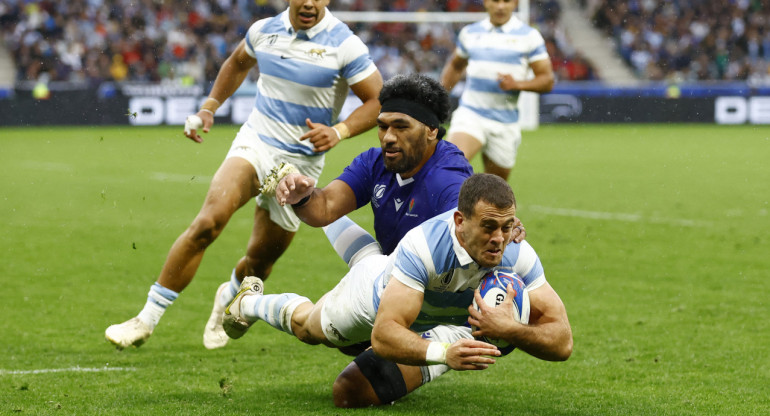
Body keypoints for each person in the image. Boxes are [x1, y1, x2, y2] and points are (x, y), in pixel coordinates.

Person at [104, 0, 383, 350]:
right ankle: (144, 319)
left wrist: (340, 130)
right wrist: (209, 106)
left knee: (260, 263)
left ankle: (230, 294)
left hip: (301, 165)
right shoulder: (263, 31)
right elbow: (237, 63)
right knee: (208, 222)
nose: (309, 2)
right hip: (256, 144)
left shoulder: (345, 43)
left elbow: (377, 99)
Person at [222, 173, 573, 407]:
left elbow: (562, 342)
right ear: (460, 222)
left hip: (443, 322)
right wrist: (444, 355)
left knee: (352, 391)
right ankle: (249, 302)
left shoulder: (517, 254)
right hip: (370, 300)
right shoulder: (425, 247)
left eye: (507, 227)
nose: (500, 239)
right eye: (489, 227)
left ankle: (318, 211)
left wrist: (511, 329)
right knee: (310, 329)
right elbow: (384, 335)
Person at [440, 0, 555, 180]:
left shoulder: (529, 36)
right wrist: (440, 97)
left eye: (506, 1)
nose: (501, 6)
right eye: (495, 0)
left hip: (504, 123)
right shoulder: (469, 33)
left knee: (493, 190)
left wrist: (517, 84)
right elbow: (456, 66)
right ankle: (449, 207)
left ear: (515, 3)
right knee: (449, 168)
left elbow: (547, 80)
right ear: (486, 2)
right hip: (471, 114)